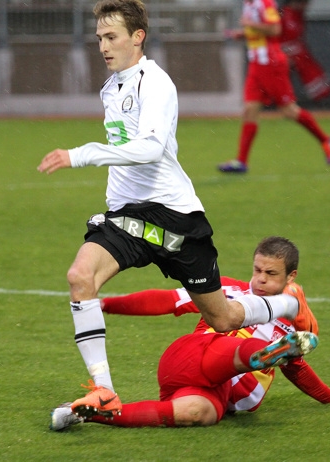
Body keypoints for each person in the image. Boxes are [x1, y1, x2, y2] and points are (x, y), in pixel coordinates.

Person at [38, 0, 313, 419]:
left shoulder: (158, 83)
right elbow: (128, 151)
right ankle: (105, 391)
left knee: (222, 319)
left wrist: (81, 154)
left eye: (111, 37)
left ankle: (288, 306)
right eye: (99, 38)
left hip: (175, 218)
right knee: (80, 277)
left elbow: (149, 149)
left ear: (137, 37)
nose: (103, 47)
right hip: (128, 218)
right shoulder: (111, 89)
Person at [50, 236, 330, 430]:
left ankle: (88, 414)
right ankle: (258, 356)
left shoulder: (288, 325)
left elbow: (298, 369)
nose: (261, 279)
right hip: (194, 357)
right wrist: (102, 305)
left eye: (271, 274)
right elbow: (168, 301)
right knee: (237, 348)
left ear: (291, 276)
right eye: (257, 270)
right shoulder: (228, 289)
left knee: (197, 414)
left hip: (216, 394)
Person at [218, 0, 330, 174]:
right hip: (256, 65)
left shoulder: (264, 3)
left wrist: (250, 24)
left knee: (289, 111)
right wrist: (242, 34)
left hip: (271, 64)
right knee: (250, 110)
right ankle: (241, 162)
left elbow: (274, 29)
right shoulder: (248, 4)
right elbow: (260, 31)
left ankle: (325, 140)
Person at [279, 0, 330, 103]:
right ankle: (321, 93)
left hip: (297, 51)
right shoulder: (283, 14)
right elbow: (275, 37)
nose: (307, 5)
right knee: (302, 59)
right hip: (281, 51)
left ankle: (324, 89)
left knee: (306, 58)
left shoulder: (298, 14)